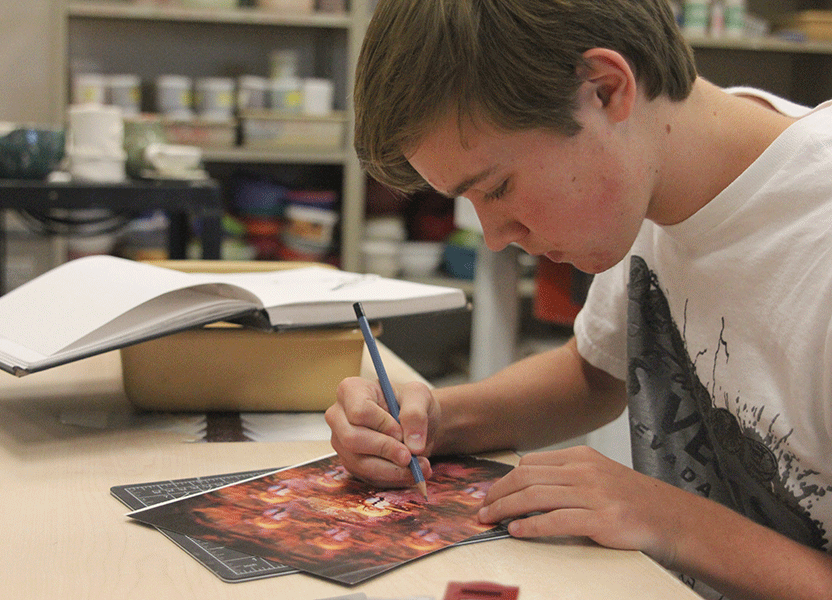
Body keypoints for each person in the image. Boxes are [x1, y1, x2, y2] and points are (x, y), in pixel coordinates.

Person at [323, 1, 832, 599]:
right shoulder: (656, 168)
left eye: (498, 187)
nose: (494, 237)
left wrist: (670, 520)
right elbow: (593, 374)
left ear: (606, 90)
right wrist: (434, 421)